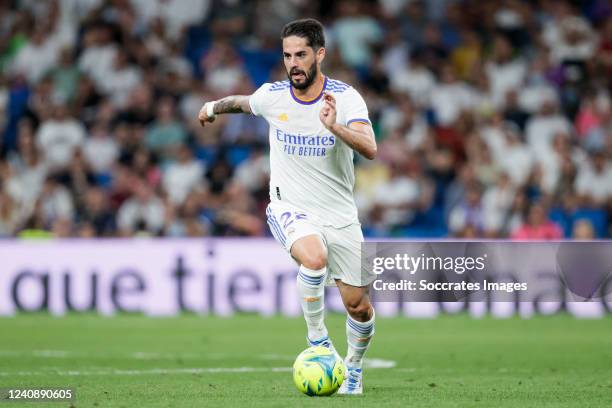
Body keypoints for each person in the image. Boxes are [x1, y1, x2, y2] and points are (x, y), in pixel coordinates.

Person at [198, 18, 377, 395]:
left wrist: (334, 128)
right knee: (313, 258)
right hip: (289, 206)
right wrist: (213, 106)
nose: (293, 63)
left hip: (341, 215)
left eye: (301, 54)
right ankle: (319, 342)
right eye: (287, 55)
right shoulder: (273, 95)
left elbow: (370, 148)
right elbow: (242, 103)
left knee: (359, 307)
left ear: (320, 54)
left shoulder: (345, 98)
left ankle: (354, 370)